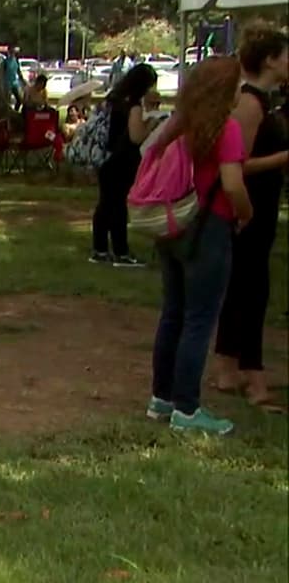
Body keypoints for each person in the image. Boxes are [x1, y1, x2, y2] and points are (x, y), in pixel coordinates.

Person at [145, 56, 253, 436]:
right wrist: (246, 213)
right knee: (199, 318)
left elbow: (148, 153)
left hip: (172, 225)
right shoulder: (227, 130)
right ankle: (187, 409)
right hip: (210, 228)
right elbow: (233, 184)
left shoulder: (178, 125)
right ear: (225, 90)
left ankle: (162, 398)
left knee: (173, 312)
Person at [213, 25, 289, 412]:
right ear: (271, 59)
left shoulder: (266, 100)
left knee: (243, 287)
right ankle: (254, 377)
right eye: (286, 54)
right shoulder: (250, 103)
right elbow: (236, 165)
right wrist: (284, 158)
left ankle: (228, 368)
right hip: (249, 210)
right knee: (252, 291)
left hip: (260, 207)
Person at [90, 63, 157, 266]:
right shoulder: (133, 105)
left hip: (105, 156)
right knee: (118, 206)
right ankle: (121, 252)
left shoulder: (113, 99)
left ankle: (100, 249)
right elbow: (136, 137)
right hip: (122, 160)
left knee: (105, 204)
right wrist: (152, 123)